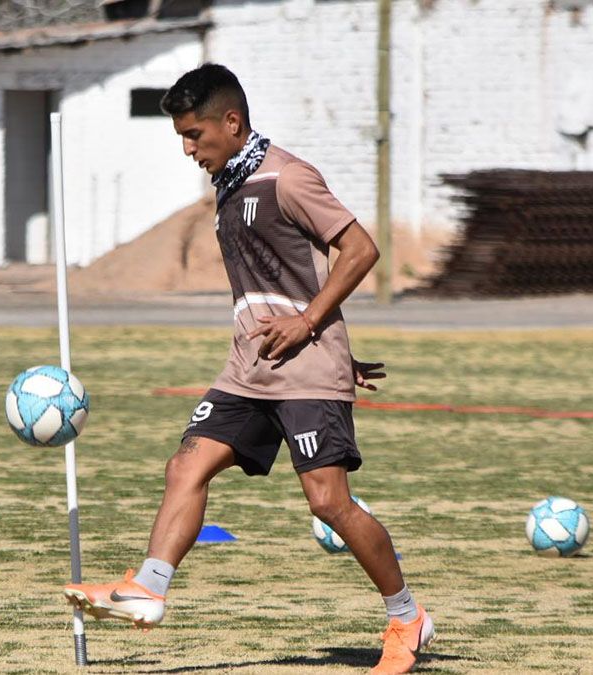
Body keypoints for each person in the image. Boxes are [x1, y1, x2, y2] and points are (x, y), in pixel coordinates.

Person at [63, 64, 434, 674]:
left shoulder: (287, 178)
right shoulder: (229, 184)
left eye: (194, 134)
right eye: (182, 137)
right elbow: (280, 279)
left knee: (329, 504)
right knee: (186, 464)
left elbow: (361, 249)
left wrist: (314, 328)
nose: (188, 149)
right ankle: (149, 588)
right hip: (248, 370)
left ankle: (407, 618)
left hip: (305, 370)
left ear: (231, 123)